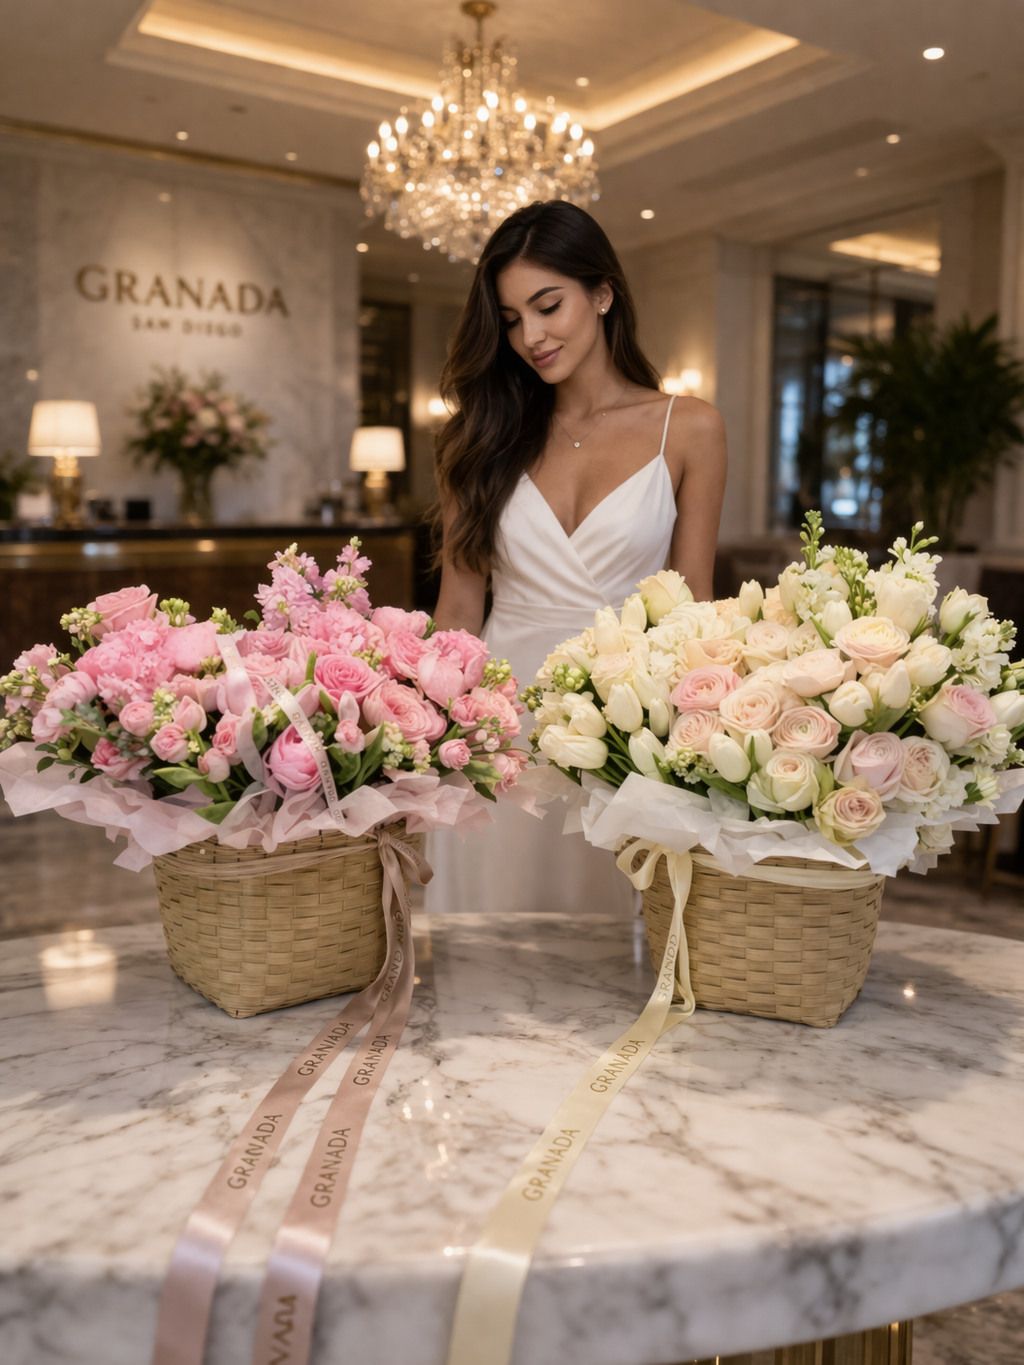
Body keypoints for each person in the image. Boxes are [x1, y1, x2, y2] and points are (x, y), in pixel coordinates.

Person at [425, 200, 727, 914]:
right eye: (509, 318)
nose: (529, 335)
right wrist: (429, 748)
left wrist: (696, 749)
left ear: (602, 292)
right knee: (484, 935)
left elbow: (691, 610)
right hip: (498, 725)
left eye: (547, 305)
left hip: (625, 727)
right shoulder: (476, 439)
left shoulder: (689, 429)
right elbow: (460, 608)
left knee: (608, 945)